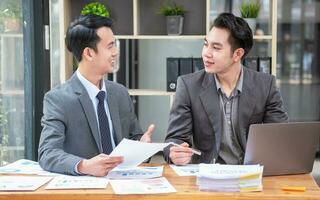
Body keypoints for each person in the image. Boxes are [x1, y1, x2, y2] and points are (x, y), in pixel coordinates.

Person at [163, 13, 288, 165]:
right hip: (207, 175)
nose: (206, 53)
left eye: (216, 48)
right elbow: (174, 139)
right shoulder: (188, 86)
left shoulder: (265, 85)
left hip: (252, 174)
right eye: (205, 44)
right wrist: (173, 152)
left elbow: (280, 138)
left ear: (237, 54)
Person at [38, 14, 154, 176]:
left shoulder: (119, 93)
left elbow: (134, 137)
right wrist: (84, 165)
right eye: (110, 46)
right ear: (89, 53)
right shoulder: (58, 99)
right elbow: (47, 153)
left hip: (124, 184)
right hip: (86, 189)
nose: (115, 52)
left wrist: (142, 146)